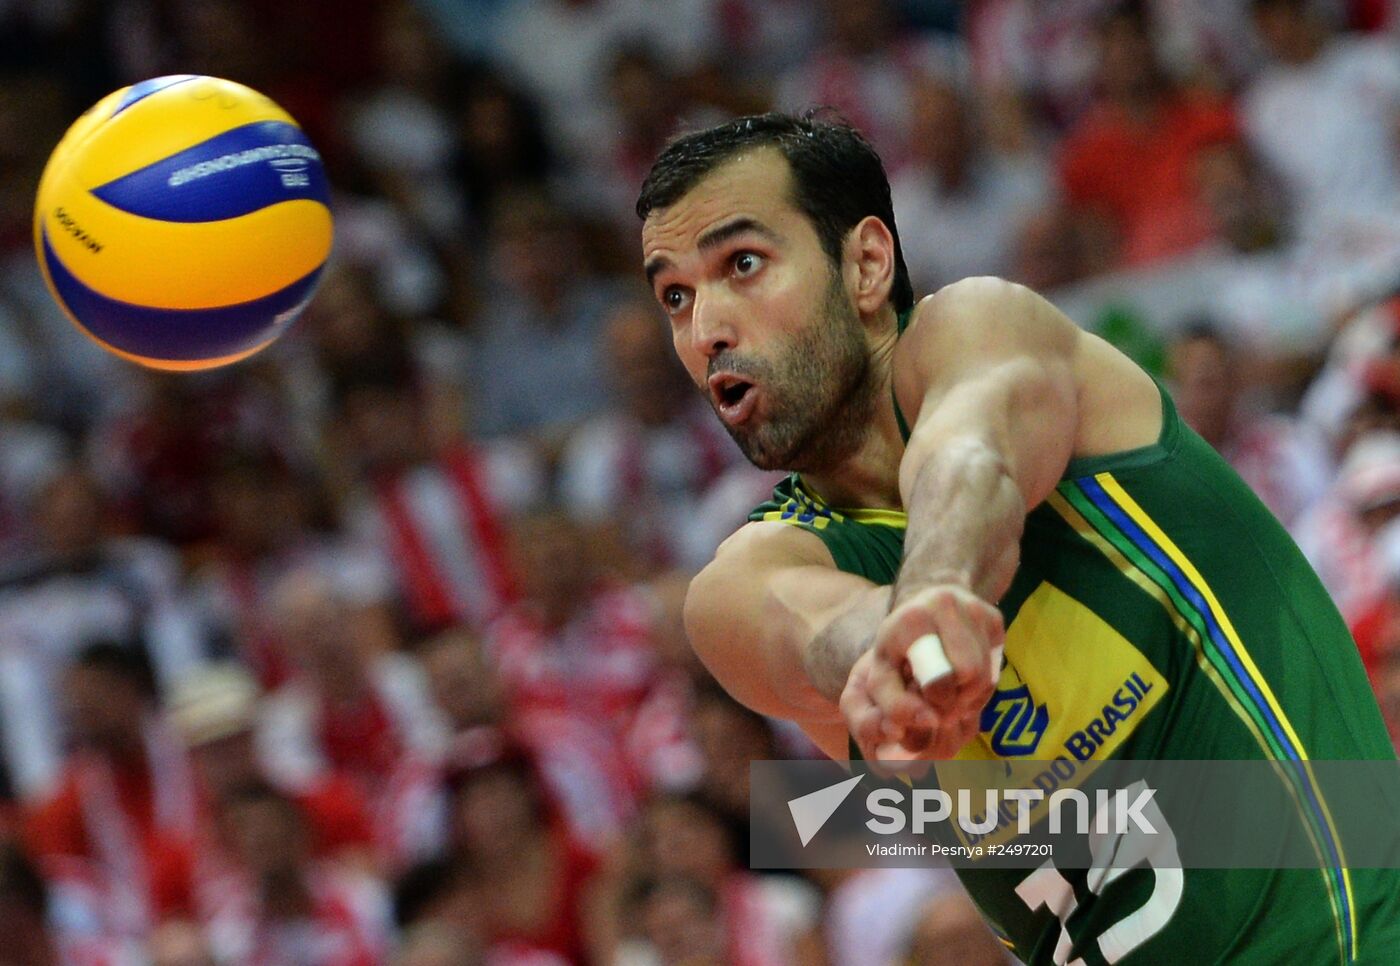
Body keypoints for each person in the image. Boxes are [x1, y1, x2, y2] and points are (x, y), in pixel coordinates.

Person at [635, 111, 1400, 963]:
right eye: (676, 295)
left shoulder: (982, 326)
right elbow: (807, 624)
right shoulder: (736, 583)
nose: (706, 330)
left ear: (865, 263)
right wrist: (879, 650)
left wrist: (933, 597)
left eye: (742, 265)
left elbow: (974, 460)